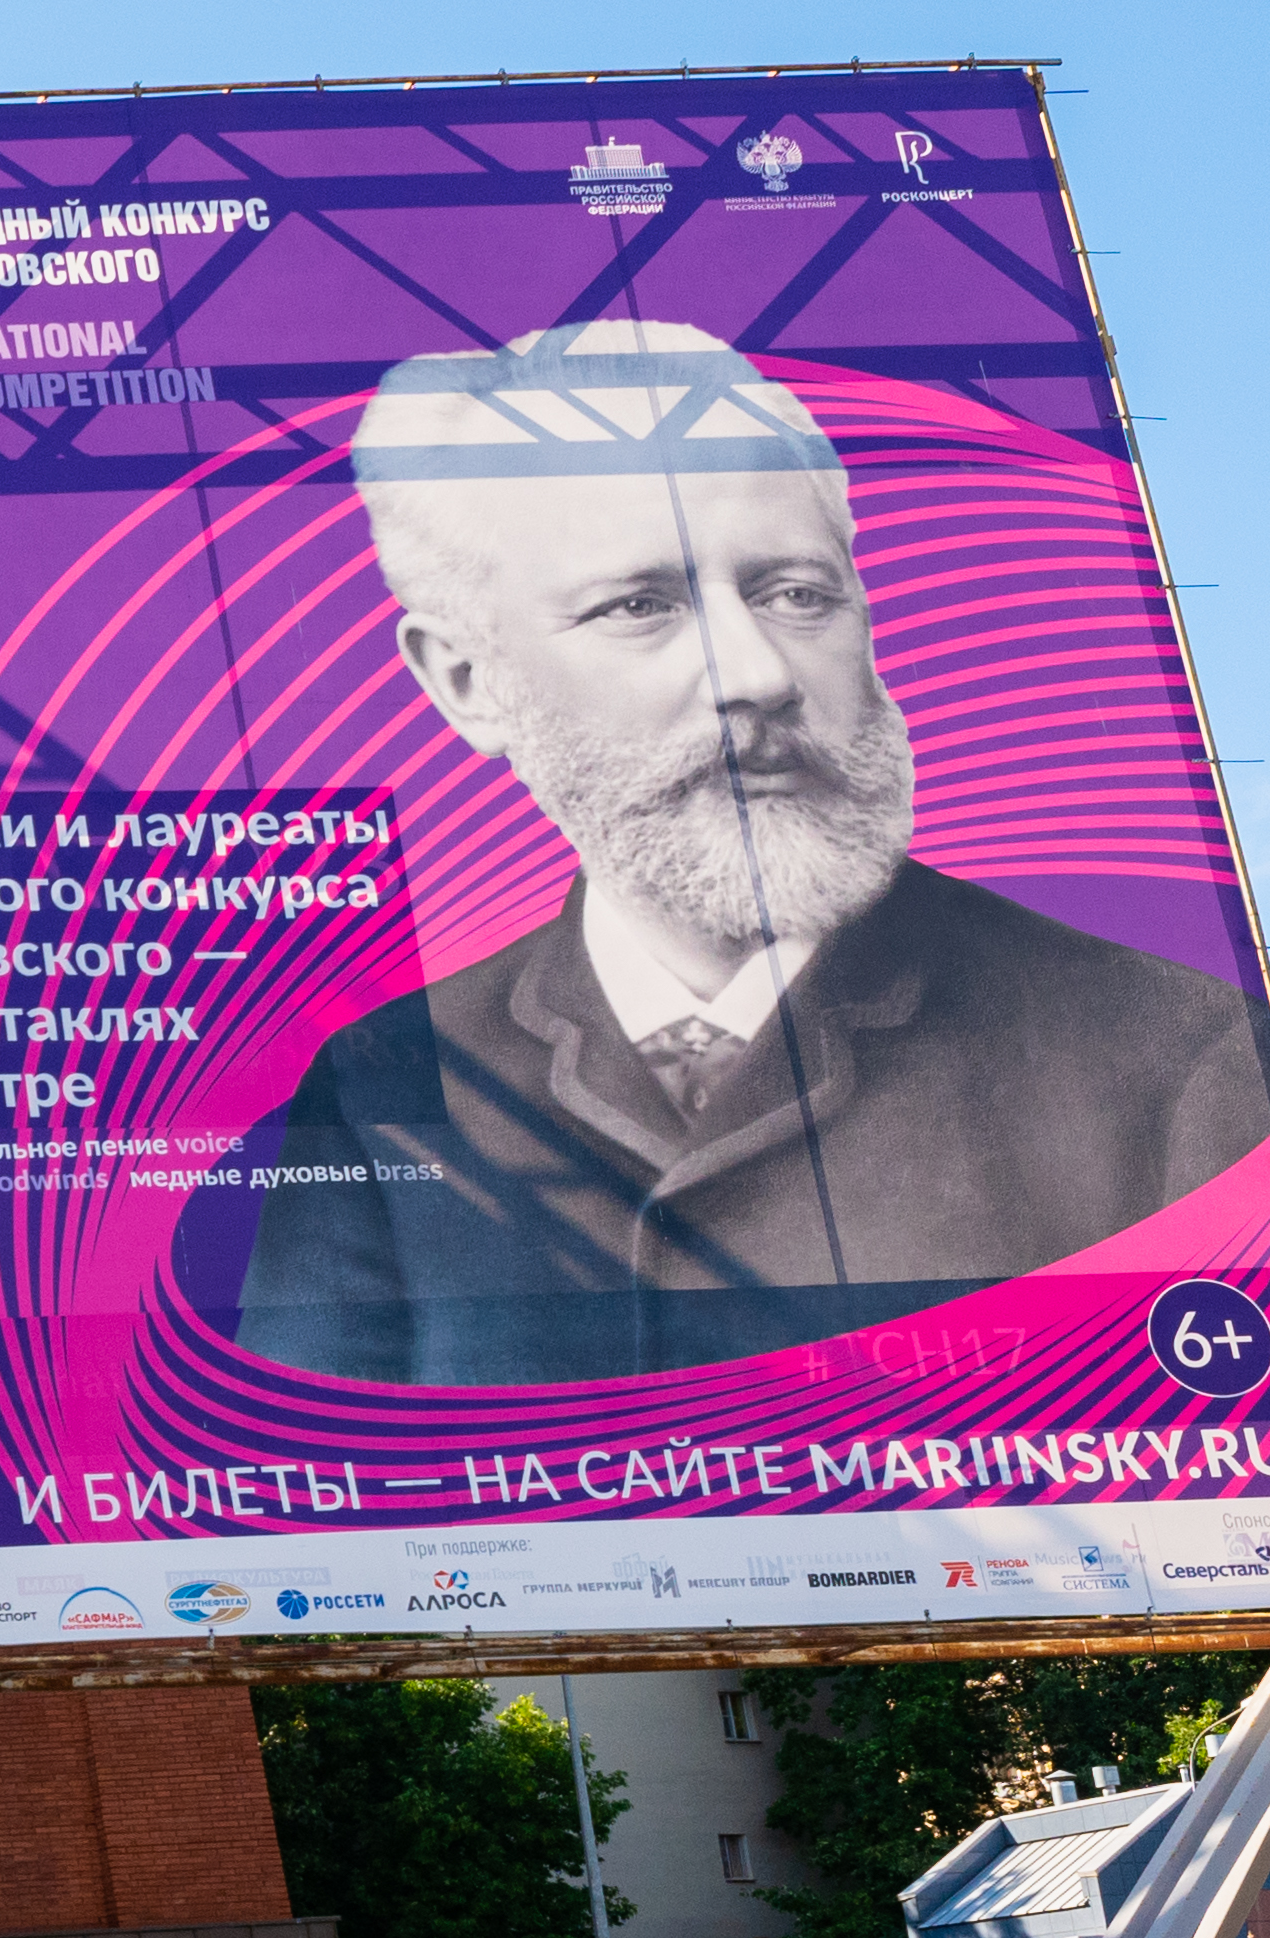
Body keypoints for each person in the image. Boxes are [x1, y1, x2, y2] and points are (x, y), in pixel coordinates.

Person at [229, 321, 1270, 1383]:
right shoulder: (378, 1087)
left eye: (794, 593)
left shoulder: (1182, 1060)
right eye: (640, 605)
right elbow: (317, 1487)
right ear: (465, 682)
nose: (756, 671)